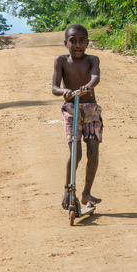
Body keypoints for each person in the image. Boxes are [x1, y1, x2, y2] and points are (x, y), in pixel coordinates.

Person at [52, 24, 102, 210]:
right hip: (72, 109)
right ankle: (68, 189)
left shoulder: (93, 60)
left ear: (87, 43)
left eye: (82, 41)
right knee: (76, 153)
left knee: (93, 153)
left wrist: (88, 86)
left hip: (91, 110)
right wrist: (64, 91)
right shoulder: (61, 61)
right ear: (66, 43)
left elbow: (95, 78)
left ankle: (86, 192)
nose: (78, 45)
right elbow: (54, 87)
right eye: (73, 41)